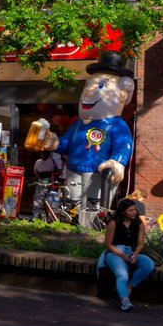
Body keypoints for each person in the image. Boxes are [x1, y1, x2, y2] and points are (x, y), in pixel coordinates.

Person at [42, 50, 136, 226]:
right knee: (73, 204)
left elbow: (124, 145)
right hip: (73, 169)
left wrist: (117, 162)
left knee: (94, 206)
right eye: (88, 86)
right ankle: (74, 231)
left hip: (97, 173)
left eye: (99, 86)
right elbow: (67, 144)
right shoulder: (79, 123)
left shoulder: (116, 125)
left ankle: (90, 235)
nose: (88, 92)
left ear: (122, 93)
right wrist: (55, 143)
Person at [98, 197, 155, 311]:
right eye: (131, 210)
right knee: (122, 274)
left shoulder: (138, 223)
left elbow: (140, 244)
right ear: (123, 212)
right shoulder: (113, 223)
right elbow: (108, 244)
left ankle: (129, 287)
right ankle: (125, 301)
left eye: (135, 210)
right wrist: (122, 256)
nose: (134, 212)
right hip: (115, 252)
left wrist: (136, 254)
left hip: (130, 251)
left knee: (148, 264)